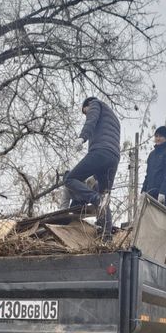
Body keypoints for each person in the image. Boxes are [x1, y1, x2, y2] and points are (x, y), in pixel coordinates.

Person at [64, 97, 120, 239]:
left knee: (69, 179)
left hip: (100, 151)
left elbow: (92, 120)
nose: (86, 114)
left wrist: (82, 137)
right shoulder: (114, 118)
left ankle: (95, 198)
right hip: (114, 158)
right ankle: (106, 236)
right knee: (104, 195)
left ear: (87, 105)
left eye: (85, 111)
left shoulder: (95, 104)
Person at [141, 125, 166, 208]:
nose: (158, 138)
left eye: (160, 136)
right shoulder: (152, 155)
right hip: (149, 193)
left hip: (162, 193)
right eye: (156, 136)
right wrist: (143, 192)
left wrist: (162, 192)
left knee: (159, 216)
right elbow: (148, 176)